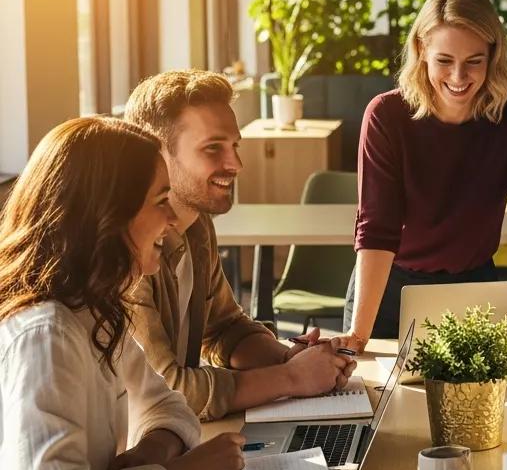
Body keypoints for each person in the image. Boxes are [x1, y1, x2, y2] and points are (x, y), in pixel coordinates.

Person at [0, 118, 246, 470]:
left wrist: (155, 451)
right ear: (108, 216)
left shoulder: (93, 311)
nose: (173, 223)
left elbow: (168, 404)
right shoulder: (44, 335)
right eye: (160, 200)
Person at [339, 0, 507, 346]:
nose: (459, 77)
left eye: (474, 61)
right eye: (444, 61)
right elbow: (377, 229)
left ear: (493, 55)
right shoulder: (386, 116)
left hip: (473, 288)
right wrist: (357, 335)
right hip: (388, 291)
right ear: (421, 50)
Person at [123, 71, 355, 420]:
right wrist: (290, 378)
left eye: (235, 146)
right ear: (157, 153)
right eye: (212, 148)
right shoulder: (130, 256)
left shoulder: (197, 228)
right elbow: (167, 390)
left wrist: (287, 358)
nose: (235, 165)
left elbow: (224, 330)